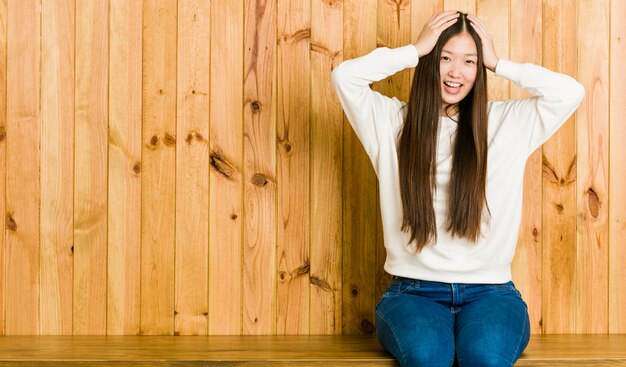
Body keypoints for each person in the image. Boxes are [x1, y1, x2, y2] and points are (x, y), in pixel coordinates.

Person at [331, 11, 584, 367]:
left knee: (485, 358)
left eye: (470, 61)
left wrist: (499, 63)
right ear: (429, 61)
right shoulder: (389, 123)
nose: (456, 72)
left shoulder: (506, 122)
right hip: (413, 293)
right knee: (427, 356)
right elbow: (345, 77)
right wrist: (413, 50)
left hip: (492, 294)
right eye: (445, 58)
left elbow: (571, 92)